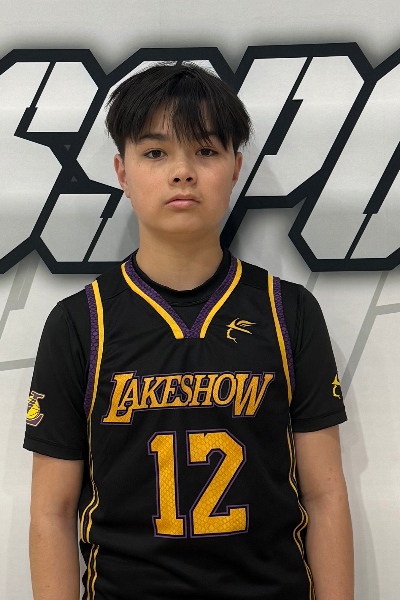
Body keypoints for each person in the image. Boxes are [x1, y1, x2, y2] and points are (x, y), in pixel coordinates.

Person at [24, 62, 354, 600]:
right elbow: (52, 512)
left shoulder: (288, 312)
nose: (182, 172)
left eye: (205, 150)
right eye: (156, 153)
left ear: (235, 167)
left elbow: (325, 496)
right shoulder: (80, 323)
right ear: (122, 171)